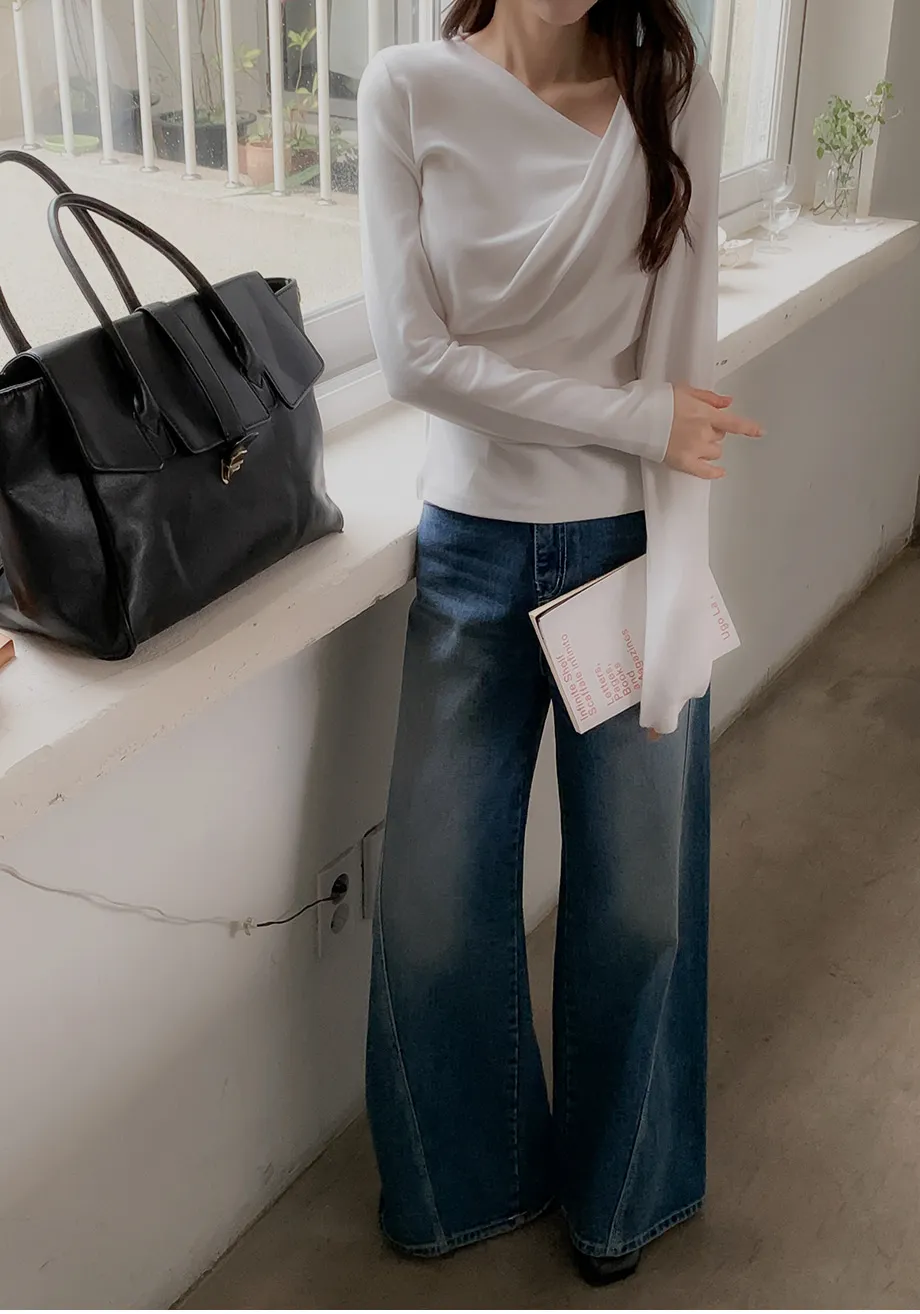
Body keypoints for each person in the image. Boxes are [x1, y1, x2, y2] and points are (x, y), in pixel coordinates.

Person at [356, 0, 762, 1286]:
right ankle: (466, 1186)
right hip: (469, 553)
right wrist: (633, 419)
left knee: (639, 906)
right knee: (429, 908)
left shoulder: (670, 92)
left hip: (631, 547)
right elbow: (411, 362)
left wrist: (680, 576)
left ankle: (620, 1199)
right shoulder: (405, 88)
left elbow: (685, 371)